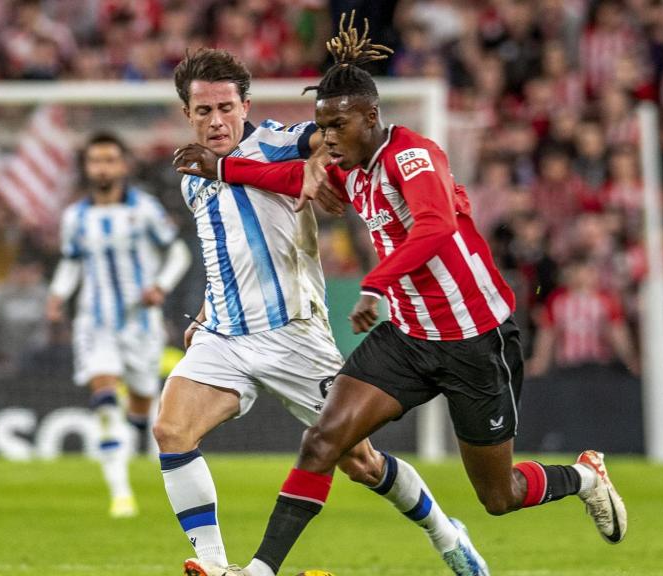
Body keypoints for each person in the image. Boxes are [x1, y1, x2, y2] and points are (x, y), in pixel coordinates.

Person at [175, 13, 627, 576]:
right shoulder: (352, 171)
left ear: (371, 117)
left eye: (338, 128)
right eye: (323, 128)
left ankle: (584, 476)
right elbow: (292, 178)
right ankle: (259, 571)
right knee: (323, 442)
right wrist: (222, 167)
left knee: (499, 495)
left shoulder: (412, 154)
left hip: (473, 339)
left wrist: (374, 284)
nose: (328, 141)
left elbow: (434, 228)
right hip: (408, 337)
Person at [162, 47, 482, 576]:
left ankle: (446, 534)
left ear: (245, 105)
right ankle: (215, 566)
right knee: (171, 430)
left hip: (296, 336)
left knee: (362, 463)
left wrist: (317, 159)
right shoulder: (192, 174)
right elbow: (230, 250)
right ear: (187, 115)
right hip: (224, 334)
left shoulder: (277, 141)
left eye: (225, 107)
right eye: (203, 111)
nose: (216, 121)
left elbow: (330, 143)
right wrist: (204, 310)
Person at [46, 132, 191, 518]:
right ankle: (120, 494)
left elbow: (177, 252)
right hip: (94, 322)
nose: (103, 167)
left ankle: (138, 430)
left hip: (140, 324)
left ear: (123, 165)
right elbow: (71, 261)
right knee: (105, 398)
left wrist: (160, 287)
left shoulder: (143, 209)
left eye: (110, 160)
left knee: (142, 400)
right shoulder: (74, 216)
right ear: (87, 167)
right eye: (96, 161)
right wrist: (59, 294)